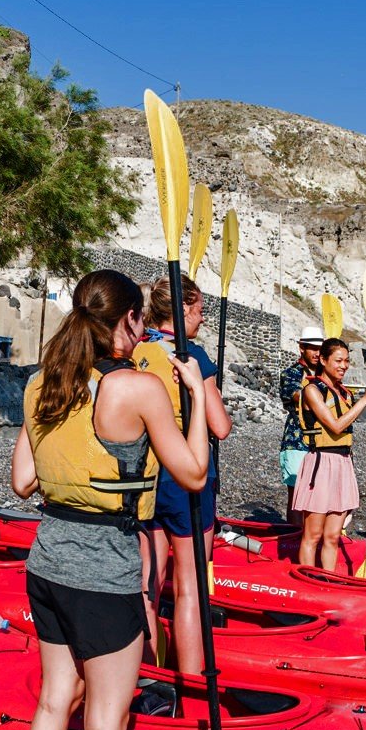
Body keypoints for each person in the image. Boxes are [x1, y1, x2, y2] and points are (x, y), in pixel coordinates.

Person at [9, 269, 209, 730]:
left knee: (52, 703)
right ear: (125, 322)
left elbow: (21, 482)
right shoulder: (138, 388)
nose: (145, 331)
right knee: (105, 720)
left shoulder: (43, 383)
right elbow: (195, 473)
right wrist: (196, 399)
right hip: (104, 568)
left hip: (48, 560)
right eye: (141, 321)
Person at [132, 278, 233, 675]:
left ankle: (146, 674)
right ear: (184, 307)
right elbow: (220, 426)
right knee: (189, 586)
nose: (203, 319)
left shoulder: (138, 349)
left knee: (148, 585)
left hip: (143, 477)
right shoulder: (191, 356)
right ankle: (191, 684)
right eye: (200, 310)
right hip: (185, 475)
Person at [292, 338, 366, 571]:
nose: (344, 366)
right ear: (323, 360)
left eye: (347, 361)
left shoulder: (343, 393)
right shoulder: (312, 390)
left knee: (333, 536)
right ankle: (308, 581)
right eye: (338, 360)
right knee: (313, 534)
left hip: (342, 463)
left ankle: (329, 581)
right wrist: (365, 400)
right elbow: (335, 426)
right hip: (320, 464)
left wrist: (360, 400)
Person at [278, 326, 325, 522]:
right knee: (297, 497)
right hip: (297, 440)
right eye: (312, 348)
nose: (317, 353)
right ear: (302, 348)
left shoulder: (325, 375)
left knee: (320, 497)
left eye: (320, 348)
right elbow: (299, 397)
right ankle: (294, 540)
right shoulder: (291, 373)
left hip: (322, 442)